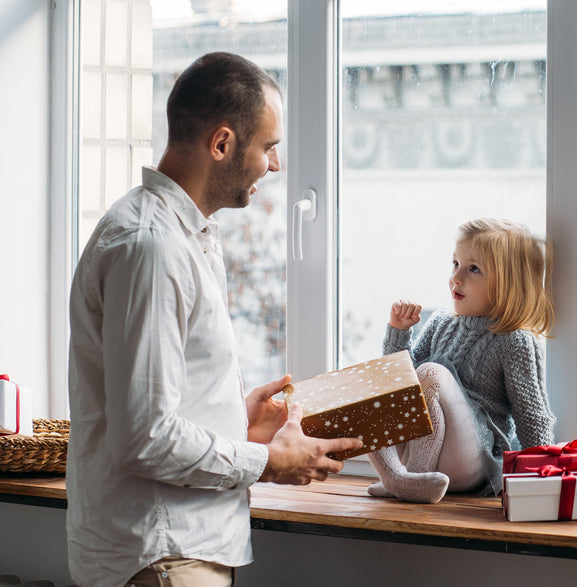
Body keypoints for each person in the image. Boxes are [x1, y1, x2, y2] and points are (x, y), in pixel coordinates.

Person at [66, 52, 362, 587]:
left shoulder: (181, 236)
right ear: (222, 144)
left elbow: (151, 408)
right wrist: (266, 460)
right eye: (268, 147)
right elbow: (145, 438)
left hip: (175, 552)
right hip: (162, 556)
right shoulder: (150, 248)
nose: (277, 165)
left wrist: (234, 419)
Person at [368, 218, 557, 504]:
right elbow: (399, 386)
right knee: (377, 391)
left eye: (473, 269)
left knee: (431, 372)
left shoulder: (513, 340)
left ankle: (410, 477)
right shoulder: (441, 322)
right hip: (427, 461)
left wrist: (544, 481)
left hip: (473, 460)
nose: (457, 278)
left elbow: (532, 416)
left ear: (507, 284)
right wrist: (399, 332)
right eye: (455, 264)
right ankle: (397, 477)